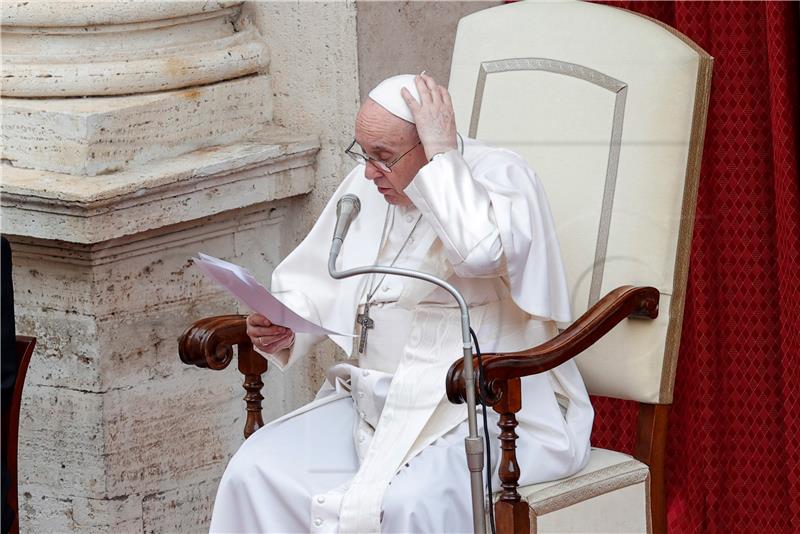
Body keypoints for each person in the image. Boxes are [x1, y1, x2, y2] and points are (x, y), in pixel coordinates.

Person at [209, 74, 593, 533]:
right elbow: (321, 279)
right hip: (374, 400)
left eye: (384, 158)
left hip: (482, 408)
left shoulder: (503, 176)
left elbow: (480, 253)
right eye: (363, 153)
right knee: (255, 469)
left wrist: (442, 157)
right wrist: (288, 323)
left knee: (407, 503)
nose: (369, 172)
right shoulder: (370, 182)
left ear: (427, 144)